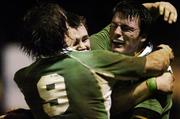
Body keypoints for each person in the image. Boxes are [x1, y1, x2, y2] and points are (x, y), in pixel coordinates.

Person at [12, 2, 174, 119]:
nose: (84, 46)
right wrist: (163, 53)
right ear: (60, 39)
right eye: (76, 42)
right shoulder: (92, 61)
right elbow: (157, 64)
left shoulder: (23, 77)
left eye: (85, 39)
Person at [90, 1, 176, 119]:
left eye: (126, 29)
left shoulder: (158, 77)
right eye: (113, 26)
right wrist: (153, 6)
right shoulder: (102, 43)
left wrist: (151, 84)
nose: (116, 32)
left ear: (143, 36)